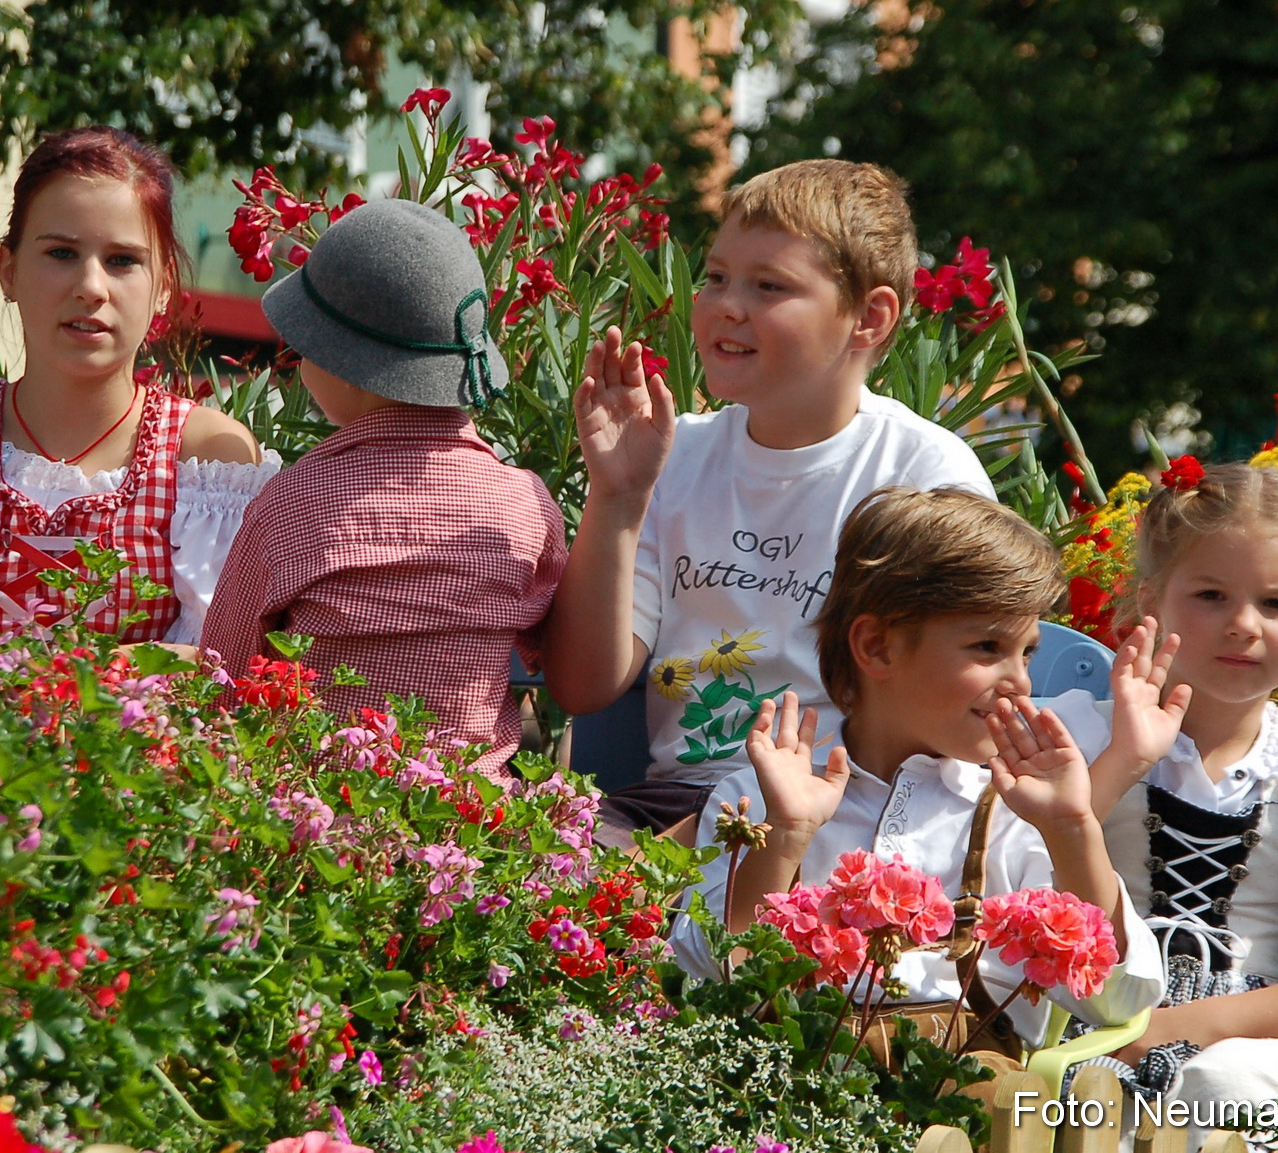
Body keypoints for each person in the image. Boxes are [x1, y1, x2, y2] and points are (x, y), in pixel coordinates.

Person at [541, 160, 996, 844]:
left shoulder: (922, 474)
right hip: (679, 803)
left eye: (769, 286)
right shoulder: (676, 457)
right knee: (527, 850)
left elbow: (953, 698)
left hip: (849, 804)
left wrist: (746, 826)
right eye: (717, 277)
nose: (727, 304)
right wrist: (617, 498)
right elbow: (583, 687)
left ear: (869, 318)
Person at [669, 486, 1165, 1051]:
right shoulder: (761, 797)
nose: (1021, 682)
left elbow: (1117, 1002)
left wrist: (1074, 829)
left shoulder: (1017, 813)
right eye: (987, 647)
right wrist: (784, 839)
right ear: (877, 647)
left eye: (1026, 651)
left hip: (964, 1110)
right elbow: (708, 987)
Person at [1051, 461, 1278, 1142]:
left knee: (1223, 1085)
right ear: (1152, 600)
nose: (1243, 624)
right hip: (1082, 1020)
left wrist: (1181, 1026)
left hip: (1247, 1040)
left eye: (1276, 603)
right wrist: (1120, 763)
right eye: (1212, 594)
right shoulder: (1082, 732)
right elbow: (1015, 879)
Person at [0, 127, 275, 645]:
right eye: (62, 253)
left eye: (122, 261)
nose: (91, 287)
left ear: (163, 287)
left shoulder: (207, 462)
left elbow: (219, 668)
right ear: (10, 270)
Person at [201, 198, 567, 780]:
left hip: (320, 830)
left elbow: (222, 676)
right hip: (471, 836)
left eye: (304, 348)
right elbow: (558, 655)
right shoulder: (525, 504)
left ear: (347, 366)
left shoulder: (293, 504)